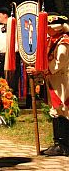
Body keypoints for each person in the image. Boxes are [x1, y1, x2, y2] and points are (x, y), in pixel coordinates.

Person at [27, 13, 69, 156]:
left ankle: (63, 145)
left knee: (62, 108)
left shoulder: (64, 41)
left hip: (62, 79)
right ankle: (59, 142)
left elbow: (59, 62)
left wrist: (39, 70)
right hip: (53, 78)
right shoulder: (53, 39)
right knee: (56, 108)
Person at [0, 7, 20, 95]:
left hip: (12, 56)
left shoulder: (15, 26)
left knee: (13, 78)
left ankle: (12, 97)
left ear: (5, 15)